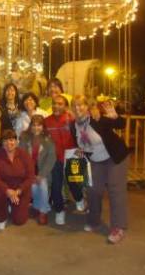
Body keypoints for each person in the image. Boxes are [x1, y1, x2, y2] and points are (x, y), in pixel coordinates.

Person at [71, 96, 130, 244]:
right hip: (96, 161)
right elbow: (79, 145)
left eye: (81, 105)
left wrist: (114, 115)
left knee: (115, 190)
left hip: (115, 157)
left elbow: (120, 124)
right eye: (74, 106)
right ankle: (94, 220)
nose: (78, 109)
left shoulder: (97, 119)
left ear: (87, 106)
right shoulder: (73, 126)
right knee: (92, 189)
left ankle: (118, 227)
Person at [44, 94, 85, 225]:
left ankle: (79, 200)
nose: (56, 106)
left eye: (60, 104)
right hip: (55, 158)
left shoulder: (72, 119)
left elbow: (82, 134)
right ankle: (59, 211)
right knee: (56, 186)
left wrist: (81, 148)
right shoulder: (46, 121)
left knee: (74, 183)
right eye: (54, 103)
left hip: (72, 156)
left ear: (66, 107)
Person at [0, 129, 35, 230]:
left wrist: (19, 190)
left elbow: (30, 176)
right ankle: (2, 217)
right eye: (5, 141)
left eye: (11, 140)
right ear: (2, 143)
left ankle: (13, 207)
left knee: (19, 221)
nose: (8, 143)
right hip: (3, 188)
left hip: (21, 189)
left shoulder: (24, 155)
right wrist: (7, 190)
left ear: (16, 141)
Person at [19, 115, 56, 225]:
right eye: (34, 125)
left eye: (39, 125)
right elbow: (21, 156)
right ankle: (37, 206)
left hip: (43, 172)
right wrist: (30, 174)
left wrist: (41, 175)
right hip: (28, 171)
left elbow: (51, 159)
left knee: (42, 185)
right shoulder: (24, 138)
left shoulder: (48, 140)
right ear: (30, 126)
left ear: (43, 127)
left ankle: (43, 212)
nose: (36, 128)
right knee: (33, 185)